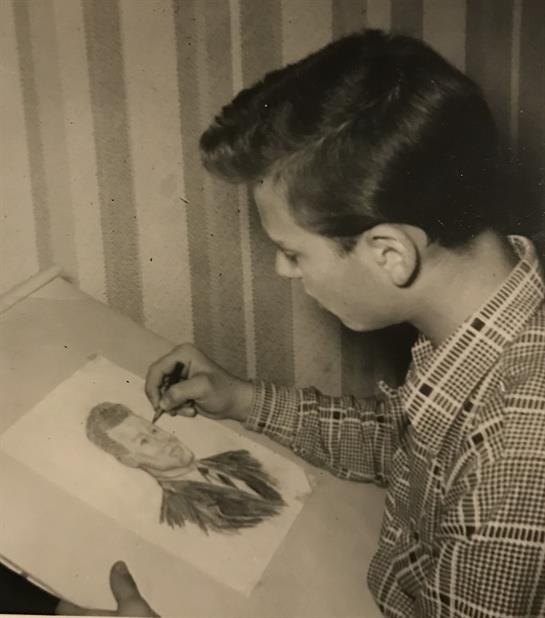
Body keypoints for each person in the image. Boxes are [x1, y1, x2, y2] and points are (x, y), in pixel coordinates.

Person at [58, 28, 545, 617]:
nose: (284, 271)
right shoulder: (491, 322)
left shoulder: (518, 452)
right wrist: (243, 400)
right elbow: (410, 447)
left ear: (389, 253)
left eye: (293, 253)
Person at [86, 402, 284, 533]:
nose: (165, 438)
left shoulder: (240, 458)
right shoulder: (184, 517)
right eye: (145, 441)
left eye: (154, 429)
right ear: (129, 461)